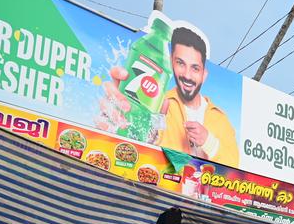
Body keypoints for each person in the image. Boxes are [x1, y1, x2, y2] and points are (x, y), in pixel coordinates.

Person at [102, 25, 239, 165]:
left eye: (195, 68)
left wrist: (208, 141)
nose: (187, 75)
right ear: (171, 64)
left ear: (204, 75)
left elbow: (236, 168)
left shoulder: (221, 118)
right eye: (180, 63)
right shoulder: (157, 103)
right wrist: (115, 118)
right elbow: (144, 146)